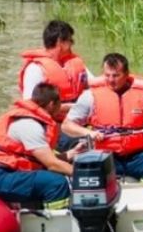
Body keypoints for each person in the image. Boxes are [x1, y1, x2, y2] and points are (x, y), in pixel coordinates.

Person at [62, 53, 143, 188]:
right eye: (107, 75)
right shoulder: (90, 96)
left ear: (126, 74)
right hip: (105, 156)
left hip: (137, 156)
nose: (111, 80)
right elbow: (66, 126)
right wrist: (88, 133)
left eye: (116, 75)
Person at [0, 83, 84, 208]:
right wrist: (85, 175)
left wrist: (71, 153)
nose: (61, 107)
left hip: (5, 172)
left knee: (53, 176)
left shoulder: (32, 119)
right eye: (60, 103)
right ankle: (56, 223)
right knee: (56, 183)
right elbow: (52, 165)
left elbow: (39, 161)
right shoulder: (30, 126)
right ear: (51, 104)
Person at [18, 20, 102, 149]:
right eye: (70, 41)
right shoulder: (35, 69)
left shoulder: (74, 63)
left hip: (78, 120)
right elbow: (30, 106)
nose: (72, 44)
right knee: (87, 144)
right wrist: (67, 107)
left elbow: (96, 85)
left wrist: (121, 78)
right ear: (60, 42)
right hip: (53, 124)